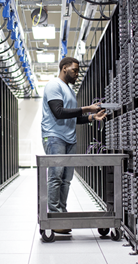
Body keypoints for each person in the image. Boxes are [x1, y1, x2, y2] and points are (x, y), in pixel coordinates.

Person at [41, 57, 107, 234]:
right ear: (64, 68)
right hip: (54, 137)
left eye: (78, 71)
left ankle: (61, 213)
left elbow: (74, 117)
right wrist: (87, 108)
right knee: (55, 176)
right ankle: (54, 216)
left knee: (66, 179)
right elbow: (59, 112)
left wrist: (93, 117)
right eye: (74, 70)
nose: (77, 74)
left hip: (69, 139)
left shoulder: (70, 91)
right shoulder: (54, 85)